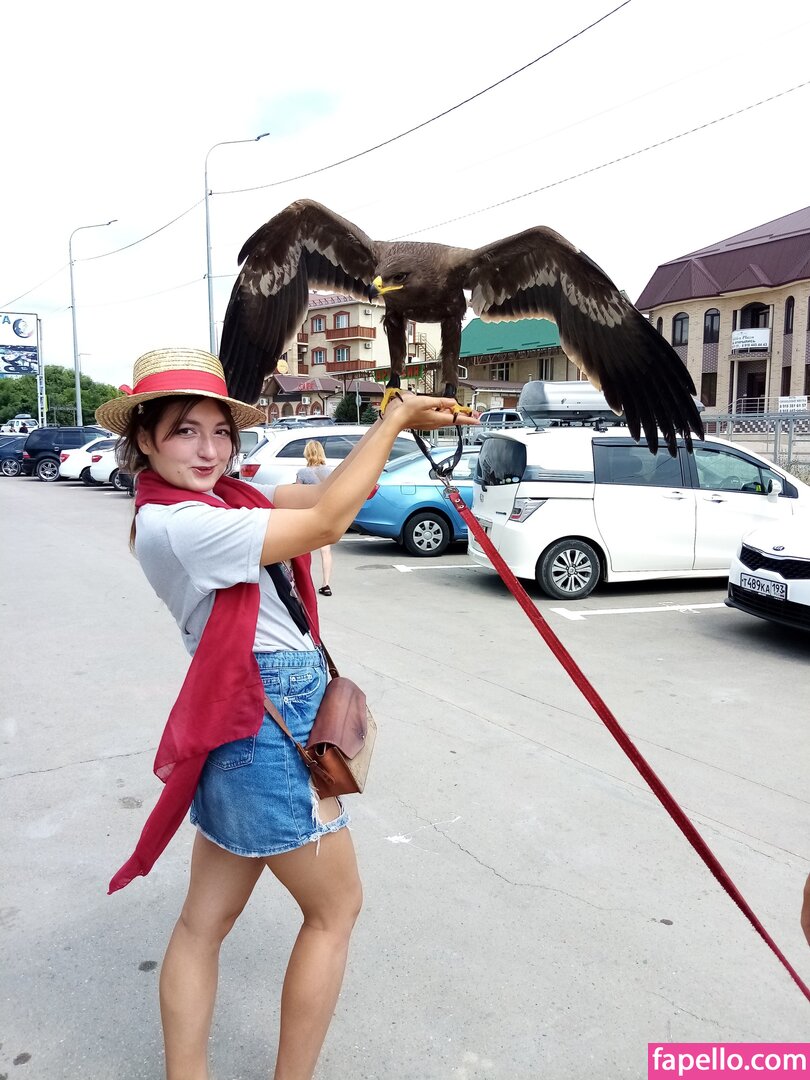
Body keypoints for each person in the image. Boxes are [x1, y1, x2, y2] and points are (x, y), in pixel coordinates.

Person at [96, 347, 477, 1080]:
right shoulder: (183, 525)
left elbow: (327, 492)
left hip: (242, 722)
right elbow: (330, 522)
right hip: (269, 722)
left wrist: (396, 429)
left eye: (220, 431)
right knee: (335, 911)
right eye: (185, 431)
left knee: (202, 925)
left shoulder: (224, 501)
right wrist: (393, 420)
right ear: (144, 438)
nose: (209, 450)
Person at [296, 439, 334, 596]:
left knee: (303, 551)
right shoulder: (329, 472)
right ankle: (326, 584)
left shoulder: (302, 473)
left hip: (308, 513)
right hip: (325, 512)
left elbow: (298, 495)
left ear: (307, 453)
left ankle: (304, 585)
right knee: (325, 551)